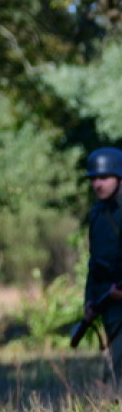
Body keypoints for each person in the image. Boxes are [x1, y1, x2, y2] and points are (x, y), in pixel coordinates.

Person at [83, 147, 122, 386]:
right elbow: (94, 262)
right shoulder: (97, 214)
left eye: (104, 178)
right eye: (94, 178)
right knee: (117, 363)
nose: (98, 184)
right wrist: (89, 300)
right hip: (108, 300)